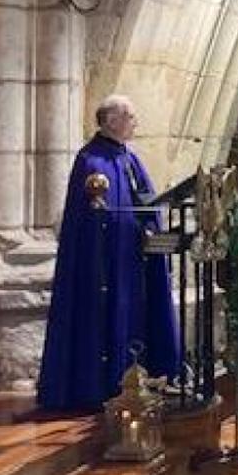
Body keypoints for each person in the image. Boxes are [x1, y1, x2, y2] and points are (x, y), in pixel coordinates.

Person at [37, 95, 181, 412]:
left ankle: (142, 379)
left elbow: (145, 201)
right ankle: (99, 385)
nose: (136, 122)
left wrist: (150, 227)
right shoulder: (91, 161)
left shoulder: (129, 159)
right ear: (111, 120)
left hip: (131, 262)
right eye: (130, 115)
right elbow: (88, 218)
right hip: (101, 265)